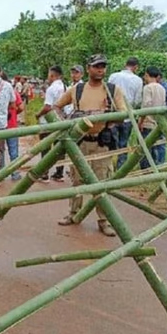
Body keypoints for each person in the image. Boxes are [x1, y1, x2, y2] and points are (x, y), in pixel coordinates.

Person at [54, 54, 128, 237]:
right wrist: (66, 122)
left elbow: (123, 114)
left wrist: (104, 115)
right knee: (77, 180)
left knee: (101, 183)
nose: (100, 70)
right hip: (81, 143)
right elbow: (56, 106)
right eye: (96, 66)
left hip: (102, 143)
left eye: (103, 66)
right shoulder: (76, 90)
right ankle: (73, 214)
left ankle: (104, 220)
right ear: (88, 68)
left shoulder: (113, 90)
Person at [108, 57, 143, 169]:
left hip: (112, 115)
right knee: (123, 143)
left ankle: (107, 167)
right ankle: (121, 169)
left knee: (108, 143)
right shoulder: (138, 80)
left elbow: (107, 93)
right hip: (128, 116)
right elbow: (137, 100)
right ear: (136, 67)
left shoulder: (113, 76)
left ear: (125, 64)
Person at [35, 66, 68, 182]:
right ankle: (59, 173)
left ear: (53, 75)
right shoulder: (65, 87)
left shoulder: (51, 89)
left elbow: (47, 107)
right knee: (60, 148)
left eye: (49, 75)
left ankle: (44, 173)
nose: (48, 77)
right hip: (61, 120)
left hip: (48, 122)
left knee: (46, 148)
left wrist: (38, 114)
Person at [138, 66, 167, 169]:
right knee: (159, 145)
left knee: (145, 146)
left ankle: (146, 169)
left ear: (147, 75)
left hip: (148, 122)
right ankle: (160, 165)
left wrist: (140, 121)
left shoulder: (148, 87)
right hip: (159, 121)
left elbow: (146, 106)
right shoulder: (162, 88)